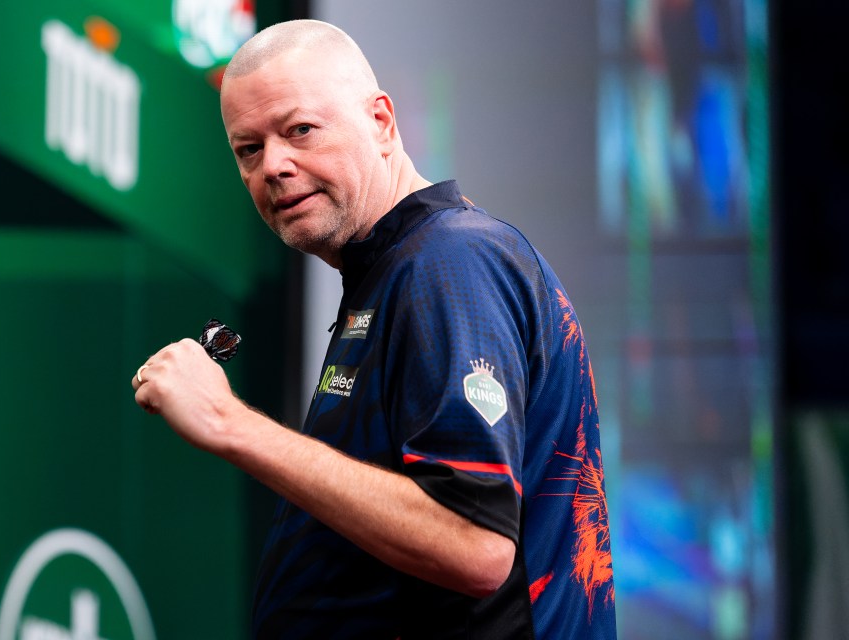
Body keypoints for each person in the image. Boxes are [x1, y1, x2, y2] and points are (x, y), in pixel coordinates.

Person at [131, 19, 616, 639]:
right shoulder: (395, 270)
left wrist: (229, 422)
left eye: (300, 129)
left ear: (383, 122)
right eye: (248, 149)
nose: (273, 165)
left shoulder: (450, 263)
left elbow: (474, 544)